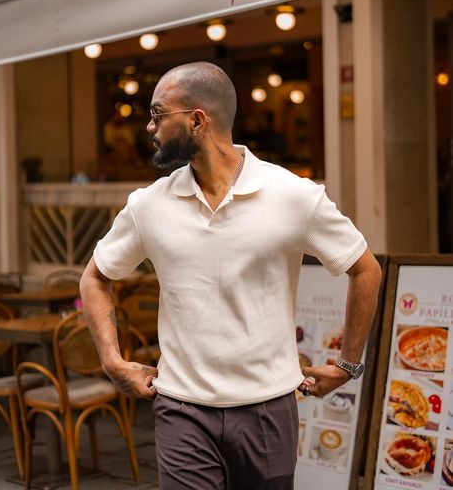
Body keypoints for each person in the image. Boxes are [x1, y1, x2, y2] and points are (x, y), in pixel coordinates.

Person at [80, 62, 381, 490]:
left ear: (197, 120)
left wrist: (349, 364)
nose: (149, 126)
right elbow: (94, 277)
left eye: (158, 114)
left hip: (269, 409)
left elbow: (365, 268)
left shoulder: (294, 196)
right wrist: (111, 360)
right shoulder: (148, 205)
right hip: (181, 409)